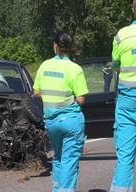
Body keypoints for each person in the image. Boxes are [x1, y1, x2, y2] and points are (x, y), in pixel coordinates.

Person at [33, 31, 88, 192]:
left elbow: (36, 92)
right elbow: (81, 99)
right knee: (70, 161)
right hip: (70, 121)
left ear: (55, 46)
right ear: (70, 47)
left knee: (57, 158)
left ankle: (57, 189)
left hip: (51, 122)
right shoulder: (75, 69)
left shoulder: (44, 65)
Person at [110, 1, 136, 191]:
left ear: (134, 9)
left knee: (125, 159)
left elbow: (115, 66)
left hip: (128, 101)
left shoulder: (121, 35)